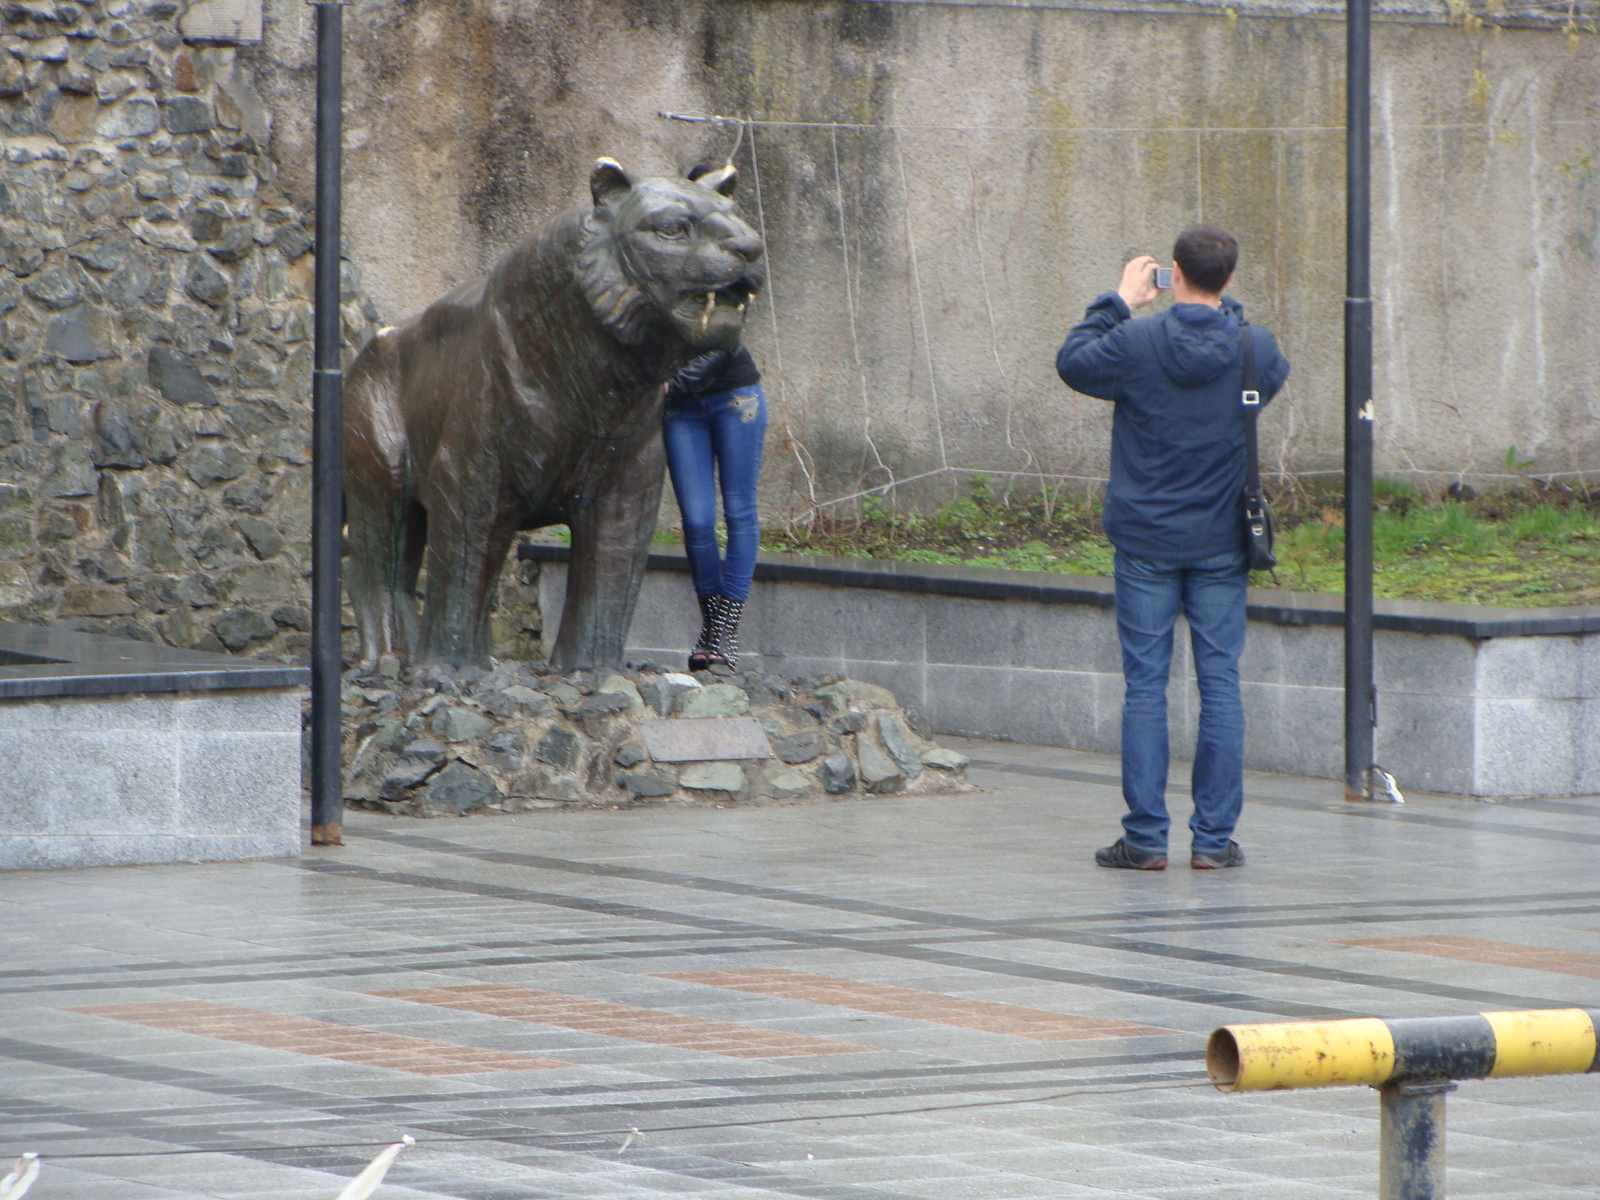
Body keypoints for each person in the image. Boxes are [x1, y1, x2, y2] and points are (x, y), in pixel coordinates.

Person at [1055, 225, 1290, 871]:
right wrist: (1221, 311)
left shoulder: (1133, 340)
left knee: (1146, 689)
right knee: (1221, 687)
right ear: (1230, 278)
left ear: (1172, 274)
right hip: (1221, 542)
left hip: (1145, 541)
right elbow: (1264, 373)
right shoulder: (1253, 346)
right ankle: (1213, 843)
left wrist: (1120, 301)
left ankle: (1147, 839)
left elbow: (1074, 361)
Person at [662, 170, 768, 672]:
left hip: (733, 397)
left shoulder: (738, 258)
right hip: (682, 409)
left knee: (740, 511)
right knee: (698, 521)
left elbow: (724, 344)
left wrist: (669, 385)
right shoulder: (668, 253)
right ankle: (713, 631)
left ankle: (721, 634)